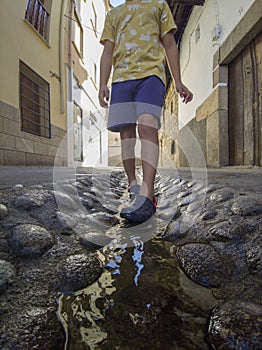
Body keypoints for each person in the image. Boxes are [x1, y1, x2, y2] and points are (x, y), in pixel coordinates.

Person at [99, 0, 193, 223]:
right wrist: (103, 82)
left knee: (147, 125)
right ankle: (132, 183)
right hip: (121, 80)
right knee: (126, 134)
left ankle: (147, 195)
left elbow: (169, 44)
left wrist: (178, 81)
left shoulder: (158, 5)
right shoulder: (114, 14)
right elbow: (108, 52)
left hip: (151, 77)